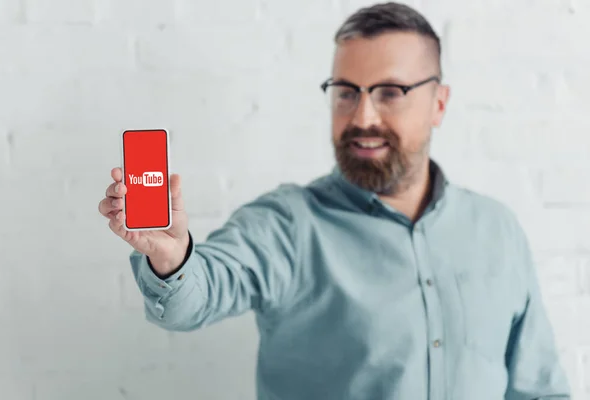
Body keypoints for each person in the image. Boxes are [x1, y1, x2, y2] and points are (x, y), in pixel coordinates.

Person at [98, 2, 571, 399]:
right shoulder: (287, 225)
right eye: (346, 92)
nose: (362, 116)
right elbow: (197, 295)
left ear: (439, 105)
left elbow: (539, 389)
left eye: (391, 92)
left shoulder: (497, 230)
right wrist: (173, 259)